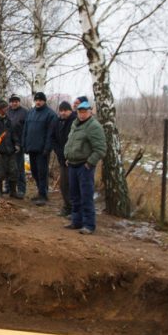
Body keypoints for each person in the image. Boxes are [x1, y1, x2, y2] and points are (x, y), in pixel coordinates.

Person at [64, 99, 107, 235]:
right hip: (72, 164)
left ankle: (89, 224)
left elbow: (100, 149)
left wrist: (90, 162)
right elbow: (71, 143)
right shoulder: (75, 124)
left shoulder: (94, 126)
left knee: (86, 196)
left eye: (84, 112)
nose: (82, 115)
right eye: (80, 112)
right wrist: (68, 157)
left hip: (84, 166)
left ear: (90, 112)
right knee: (74, 195)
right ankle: (76, 221)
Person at [21, 91, 57, 206]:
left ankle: (43, 195)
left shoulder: (50, 114)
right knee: (34, 172)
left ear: (44, 101)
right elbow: (25, 130)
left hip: (42, 150)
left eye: (40, 100)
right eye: (36, 100)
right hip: (31, 147)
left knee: (42, 172)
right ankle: (40, 191)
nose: (38, 102)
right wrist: (24, 144)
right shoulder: (30, 112)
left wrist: (47, 148)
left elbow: (51, 133)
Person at [0, 99, 24, 199]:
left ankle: (13, 192)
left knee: (13, 171)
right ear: (1, 108)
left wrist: (17, 144)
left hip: (10, 150)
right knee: (0, 173)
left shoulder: (7, 119)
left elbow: (13, 133)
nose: (8, 108)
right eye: (6, 107)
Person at [51, 100, 76, 217]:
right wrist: (60, 153)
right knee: (64, 185)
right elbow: (53, 139)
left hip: (73, 159)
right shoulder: (57, 122)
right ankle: (67, 207)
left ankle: (74, 209)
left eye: (65, 110)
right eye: (61, 111)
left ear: (70, 110)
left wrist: (69, 155)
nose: (63, 113)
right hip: (62, 158)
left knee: (73, 185)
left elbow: (75, 141)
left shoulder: (75, 122)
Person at [6, 94, 28, 196]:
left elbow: (26, 130)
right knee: (8, 167)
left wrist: (21, 144)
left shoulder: (24, 113)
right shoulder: (7, 111)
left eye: (16, 101)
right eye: (12, 101)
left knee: (19, 168)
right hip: (7, 144)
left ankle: (21, 189)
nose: (14, 103)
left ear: (19, 102)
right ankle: (8, 187)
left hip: (19, 144)